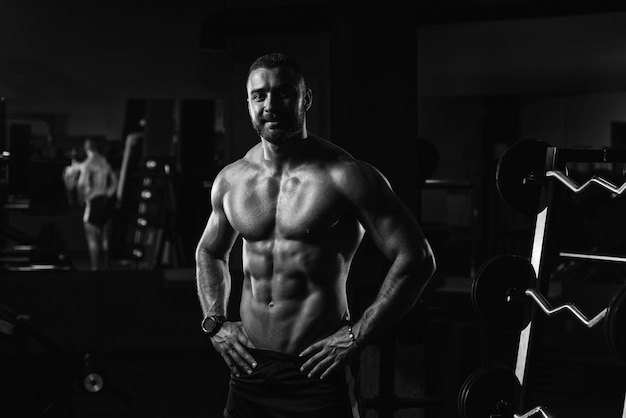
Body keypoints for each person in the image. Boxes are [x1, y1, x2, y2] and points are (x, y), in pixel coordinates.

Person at [195, 52, 436, 418]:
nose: (271, 105)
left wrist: (358, 336)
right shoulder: (230, 180)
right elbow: (209, 253)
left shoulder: (346, 176)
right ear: (248, 103)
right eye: (259, 95)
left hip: (318, 370)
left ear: (306, 99)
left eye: (284, 93)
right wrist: (215, 323)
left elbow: (417, 258)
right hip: (248, 368)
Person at [63, 138, 118, 271]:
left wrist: (82, 197)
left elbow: (81, 184)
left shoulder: (88, 164)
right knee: (105, 237)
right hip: (106, 201)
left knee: (92, 238)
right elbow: (115, 182)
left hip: (93, 201)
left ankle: (95, 268)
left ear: (87, 149)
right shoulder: (105, 163)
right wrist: (108, 195)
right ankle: (107, 266)